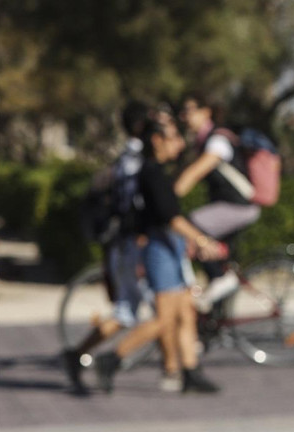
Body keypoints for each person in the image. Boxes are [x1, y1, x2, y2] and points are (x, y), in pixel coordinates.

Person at [93, 114, 222, 394]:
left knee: (185, 312)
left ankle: (189, 370)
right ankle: (112, 359)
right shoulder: (151, 173)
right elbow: (169, 216)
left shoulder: (158, 171)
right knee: (164, 319)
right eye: (173, 138)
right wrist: (201, 240)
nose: (179, 144)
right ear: (157, 140)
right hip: (159, 249)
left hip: (168, 247)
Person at [60, 101, 159, 397]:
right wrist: (141, 235)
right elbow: (134, 204)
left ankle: (79, 355)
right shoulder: (136, 159)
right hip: (135, 244)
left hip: (125, 243)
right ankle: (112, 360)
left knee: (128, 310)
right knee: (165, 311)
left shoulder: (127, 157)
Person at [175, 93, 261, 310]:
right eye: (182, 112)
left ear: (206, 112)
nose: (185, 116)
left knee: (191, 225)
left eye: (190, 110)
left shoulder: (217, 141)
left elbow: (192, 175)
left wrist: (169, 196)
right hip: (228, 207)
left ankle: (221, 278)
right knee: (207, 248)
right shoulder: (202, 141)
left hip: (239, 206)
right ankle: (214, 320)